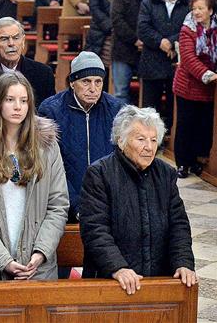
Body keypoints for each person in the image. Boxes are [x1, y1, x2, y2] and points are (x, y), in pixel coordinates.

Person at [79, 105, 197, 295]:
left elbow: (179, 225)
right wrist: (118, 267)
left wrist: (183, 263)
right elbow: (95, 230)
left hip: (157, 282)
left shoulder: (165, 174)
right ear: (121, 140)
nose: (149, 147)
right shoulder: (100, 174)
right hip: (111, 281)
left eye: (153, 140)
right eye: (141, 139)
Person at [0, 73, 69, 281]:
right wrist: (3, 260)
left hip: (37, 268)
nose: (18, 107)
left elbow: (58, 205)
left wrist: (40, 253)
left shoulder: (47, 147)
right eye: (10, 100)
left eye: (24, 101)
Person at [38, 52, 124, 221]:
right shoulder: (51, 110)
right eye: (86, 81)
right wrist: (76, 205)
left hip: (108, 204)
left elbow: (122, 163)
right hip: (62, 204)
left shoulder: (117, 110)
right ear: (72, 83)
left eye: (98, 82)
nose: (93, 89)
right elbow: (50, 167)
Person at [137, 0, 189, 131]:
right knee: (150, 108)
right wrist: (160, 41)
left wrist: (171, 42)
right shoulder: (148, 2)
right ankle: (150, 141)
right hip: (152, 61)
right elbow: (142, 28)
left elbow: (188, 27)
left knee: (176, 106)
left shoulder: (187, 2)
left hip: (176, 62)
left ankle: (172, 140)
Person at [172, 0, 217, 177]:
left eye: (201, 8)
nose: (196, 12)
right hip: (188, 87)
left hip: (209, 88)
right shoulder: (187, 29)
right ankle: (183, 163)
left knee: (203, 126)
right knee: (186, 126)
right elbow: (189, 59)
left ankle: (198, 161)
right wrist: (209, 75)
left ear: (210, 10)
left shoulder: (216, 28)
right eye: (194, 8)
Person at [110, 0, 153, 104]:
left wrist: (147, 40)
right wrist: (135, 40)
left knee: (148, 92)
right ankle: (121, 126)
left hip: (150, 50)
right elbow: (117, 20)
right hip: (123, 49)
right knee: (121, 93)